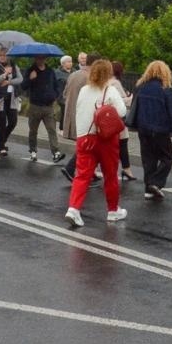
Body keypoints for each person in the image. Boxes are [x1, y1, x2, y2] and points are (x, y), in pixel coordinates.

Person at [65, 58, 127, 227]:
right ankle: (113, 210)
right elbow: (121, 111)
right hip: (105, 139)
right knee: (110, 175)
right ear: (108, 73)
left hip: (84, 137)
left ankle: (74, 209)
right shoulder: (110, 91)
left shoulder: (84, 90)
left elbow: (79, 110)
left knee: (82, 175)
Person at [132, 61, 172, 200]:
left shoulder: (141, 87)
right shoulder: (166, 89)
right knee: (167, 158)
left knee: (149, 159)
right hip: (160, 129)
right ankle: (155, 182)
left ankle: (149, 188)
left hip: (143, 128)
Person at [59, 53, 95, 182]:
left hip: (70, 115)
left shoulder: (73, 74)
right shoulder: (90, 77)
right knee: (87, 145)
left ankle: (90, 173)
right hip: (83, 116)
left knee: (87, 145)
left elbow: (64, 94)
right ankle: (71, 169)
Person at [24, 56, 64, 162]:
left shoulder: (50, 71)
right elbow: (23, 86)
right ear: (35, 59)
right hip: (35, 106)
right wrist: (30, 79)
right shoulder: (30, 70)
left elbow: (56, 85)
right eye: (39, 58)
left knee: (51, 129)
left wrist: (55, 95)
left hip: (48, 106)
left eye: (43, 58)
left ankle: (55, 153)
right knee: (33, 130)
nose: (41, 60)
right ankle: (33, 151)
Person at [0, 49, 20, 157]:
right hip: (0, 98)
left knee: (13, 122)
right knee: (2, 122)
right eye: (0, 55)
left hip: (11, 98)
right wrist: (5, 74)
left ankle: (2, 140)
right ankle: (1, 146)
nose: (2, 57)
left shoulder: (13, 65)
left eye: (4, 55)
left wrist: (9, 81)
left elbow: (20, 79)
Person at [111, 62, 136, 184]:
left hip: (111, 118)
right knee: (122, 143)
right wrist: (130, 98)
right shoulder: (115, 83)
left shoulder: (107, 81)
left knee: (120, 144)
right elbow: (121, 101)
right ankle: (126, 169)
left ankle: (126, 169)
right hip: (118, 119)